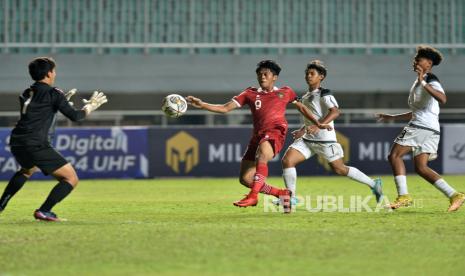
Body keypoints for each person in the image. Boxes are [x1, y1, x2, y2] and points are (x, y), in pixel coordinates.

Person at [187, 60, 330, 213]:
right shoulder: (249, 93)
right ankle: (282, 194)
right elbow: (225, 108)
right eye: (259, 74)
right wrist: (202, 104)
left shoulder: (285, 92)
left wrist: (317, 123)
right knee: (245, 179)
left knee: (262, 156)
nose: (262, 77)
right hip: (258, 136)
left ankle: (253, 196)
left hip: (276, 132)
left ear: (274, 77)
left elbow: (301, 107)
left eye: (265, 74)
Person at [0, 57, 108, 221]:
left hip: (17, 141)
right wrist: (90, 106)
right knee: (71, 178)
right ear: (49, 73)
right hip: (35, 143)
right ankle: (44, 210)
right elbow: (75, 116)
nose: (55, 73)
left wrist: (59, 101)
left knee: (27, 170)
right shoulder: (53, 93)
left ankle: (1, 205)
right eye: (54, 70)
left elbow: (38, 111)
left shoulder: (27, 92)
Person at [280, 60, 383, 206]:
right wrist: (302, 130)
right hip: (308, 140)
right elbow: (312, 117)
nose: (308, 76)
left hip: (325, 140)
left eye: (312, 73)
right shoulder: (305, 96)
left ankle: (374, 184)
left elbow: (335, 111)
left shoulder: (324, 93)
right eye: (307, 73)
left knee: (340, 169)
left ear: (321, 76)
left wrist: (319, 126)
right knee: (287, 161)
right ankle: (290, 197)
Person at [376, 45, 464, 211]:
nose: (415, 61)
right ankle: (455, 195)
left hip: (421, 127)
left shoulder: (430, 79)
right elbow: (418, 111)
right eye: (415, 58)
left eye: (419, 59)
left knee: (394, 156)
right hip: (430, 128)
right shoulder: (420, 81)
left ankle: (403, 196)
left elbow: (443, 98)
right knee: (421, 168)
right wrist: (392, 117)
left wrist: (423, 81)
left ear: (428, 63)